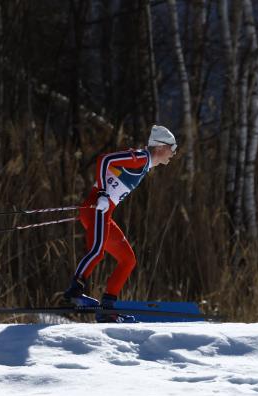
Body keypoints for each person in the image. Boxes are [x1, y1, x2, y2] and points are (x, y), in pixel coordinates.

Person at [63, 125, 177, 322]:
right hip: (98, 208)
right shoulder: (141, 158)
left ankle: (107, 309)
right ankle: (74, 291)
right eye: (172, 148)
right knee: (97, 251)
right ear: (160, 147)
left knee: (128, 259)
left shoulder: (145, 164)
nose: (174, 153)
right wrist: (102, 194)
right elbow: (105, 160)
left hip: (103, 211)